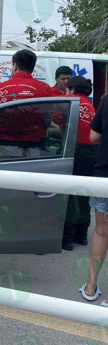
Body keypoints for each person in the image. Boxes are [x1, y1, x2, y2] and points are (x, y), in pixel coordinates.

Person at [0, 50, 54, 158]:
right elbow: (47, 120)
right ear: (33, 68)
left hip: (5, 148)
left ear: (14, 66)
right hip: (35, 150)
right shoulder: (45, 89)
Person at [60, 77, 98, 250]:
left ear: (72, 90)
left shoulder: (70, 102)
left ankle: (67, 239)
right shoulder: (91, 107)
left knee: (70, 195)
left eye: (67, 89)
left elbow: (54, 121)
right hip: (93, 155)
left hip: (77, 152)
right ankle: (82, 235)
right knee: (85, 196)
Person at [79, 92, 108, 304]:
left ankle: (90, 287)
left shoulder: (107, 101)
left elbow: (93, 137)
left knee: (101, 233)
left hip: (105, 176)